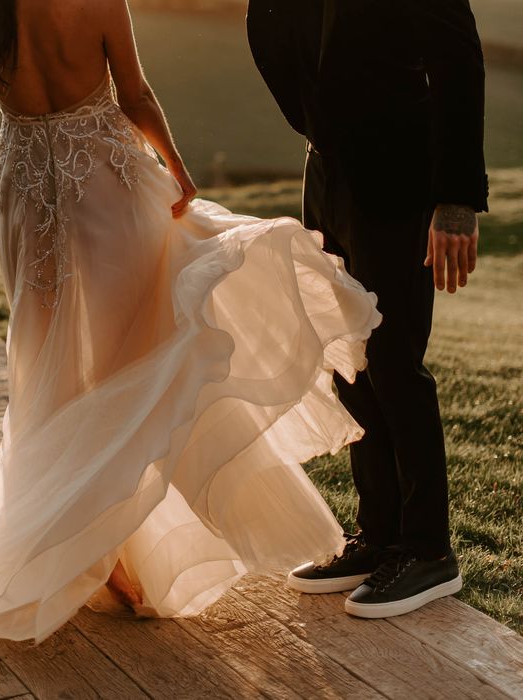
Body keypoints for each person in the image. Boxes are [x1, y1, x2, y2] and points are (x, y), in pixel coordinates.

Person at [0, 0, 382, 645]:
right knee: (133, 352)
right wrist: (178, 172)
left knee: (44, 360)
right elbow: (136, 96)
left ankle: (89, 550)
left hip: (27, 186)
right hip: (104, 183)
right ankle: (109, 543)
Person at [246, 0, 488, 618]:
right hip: (325, 169)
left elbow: (459, 57)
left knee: (393, 359)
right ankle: (379, 536)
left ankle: (428, 548)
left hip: (398, 173)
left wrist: (456, 199)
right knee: (348, 353)